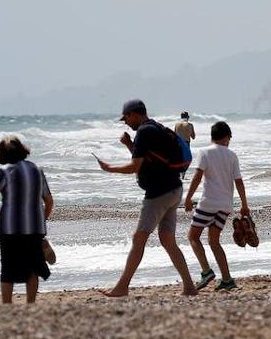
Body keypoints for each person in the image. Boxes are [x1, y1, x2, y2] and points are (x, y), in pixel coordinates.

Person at [96, 99, 196, 297]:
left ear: (134, 114)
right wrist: (129, 145)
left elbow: (135, 166)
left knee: (139, 237)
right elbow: (150, 159)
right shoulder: (156, 128)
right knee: (167, 239)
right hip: (174, 189)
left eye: (126, 117)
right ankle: (189, 286)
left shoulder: (143, 131)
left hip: (158, 193)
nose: (126, 122)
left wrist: (109, 168)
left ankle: (122, 287)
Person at [0, 136, 53, 304]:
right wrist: (42, 221)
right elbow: (48, 201)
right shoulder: (36, 170)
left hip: (9, 229)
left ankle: (7, 305)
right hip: (34, 228)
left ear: (2, 155)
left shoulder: (5, 171)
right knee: (33, 268)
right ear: (22, 150)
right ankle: (31, 305)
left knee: (8, 268)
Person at [183, 121, 249, 292]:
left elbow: (198, 177)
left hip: (208, 203)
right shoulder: (232, 155)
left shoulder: (204, 152)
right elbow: (239, 182)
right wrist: (244, 204)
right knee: (214, 241)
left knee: (193, 237)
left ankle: (206, 271)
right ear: (227, 137)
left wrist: (188, 198)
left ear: (212, 136)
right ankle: (227, 279)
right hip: (225, 206)